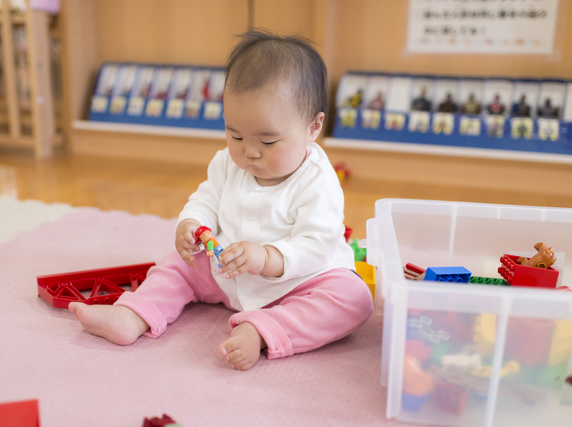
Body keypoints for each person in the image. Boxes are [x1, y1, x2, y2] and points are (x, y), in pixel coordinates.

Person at [68, 30, 374, 371]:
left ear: (313, 127)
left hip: (299, 282)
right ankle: (133, 315)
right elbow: (207, 198)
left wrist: (268, 257)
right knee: (177, 267)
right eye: (236, 135)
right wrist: (191, 223)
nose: (250, 151)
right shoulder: (228, 162)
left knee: (354, 299)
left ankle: (262, 329)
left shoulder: (317, 180)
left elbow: (317, 244)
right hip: (226, 270)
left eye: (269, 141)